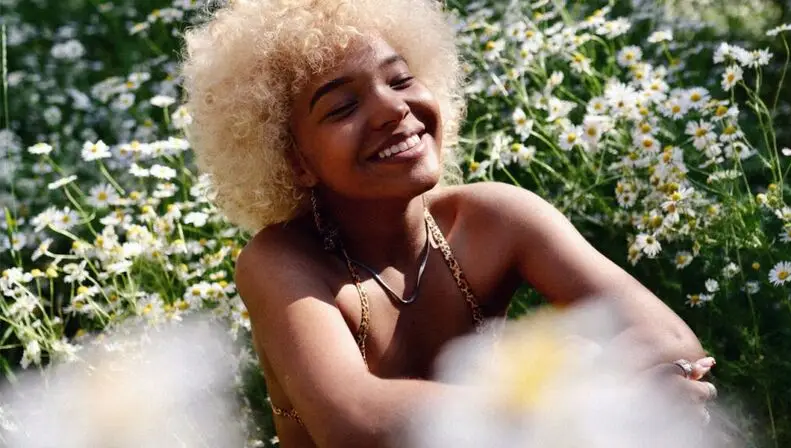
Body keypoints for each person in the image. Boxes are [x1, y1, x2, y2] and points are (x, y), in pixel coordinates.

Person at [181, 0, 717, 446]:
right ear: (293, 160)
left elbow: (671, 341)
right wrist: (576, 401)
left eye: (401, 78)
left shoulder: (493, 218)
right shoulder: (279, 263)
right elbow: (355, 421)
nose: (393, 109)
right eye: (343, 107)